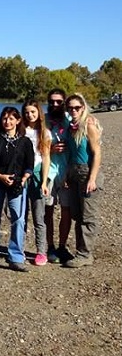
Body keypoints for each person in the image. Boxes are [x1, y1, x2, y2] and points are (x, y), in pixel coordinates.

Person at [0, 108, 35, 272]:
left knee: (18, 220)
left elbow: (30, 166)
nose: (8, 122)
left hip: (17, 185)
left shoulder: (25, 142)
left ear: (18, 121)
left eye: (12, 119)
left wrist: (23, 179)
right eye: (5, 118)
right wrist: (0, 176)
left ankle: (16, 257)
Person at [62, 93, 103, 268]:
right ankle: (80, 251)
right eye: (70, 107)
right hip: (73, 172)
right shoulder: (71, 126)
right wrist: (66, 176)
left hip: (87, 172)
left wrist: (92, 179)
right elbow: (71, 153)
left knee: (88, 216)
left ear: (83, 107)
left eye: (77, 107)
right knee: (77, 215)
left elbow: (97, 153)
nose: (73, 110)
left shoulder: (89, 125)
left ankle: (85, 254)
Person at [22, 100, 52, 266]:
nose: (30, 115)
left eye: (33, 112)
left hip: (37, 174)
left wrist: (44, 181)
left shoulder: (44, 132)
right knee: (20, 215)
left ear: (38, 113)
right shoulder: (20, 130)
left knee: (38, 216)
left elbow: (46, 157)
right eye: (27, 112)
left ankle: (41, 251)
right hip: (21, 174)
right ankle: (19, 248)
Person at [44, 88, 71, 263]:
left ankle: (62, 245)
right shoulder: (42, 120)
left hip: (67, 171)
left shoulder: (71, 119)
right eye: (52, 101)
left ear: (64, 103)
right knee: (48, 210)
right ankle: (50, 246)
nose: (55, 104)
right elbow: (33, 144)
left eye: (58, 102)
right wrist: (49, 149)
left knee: (66, 210)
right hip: (48, 171)